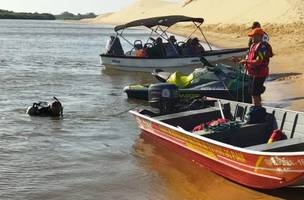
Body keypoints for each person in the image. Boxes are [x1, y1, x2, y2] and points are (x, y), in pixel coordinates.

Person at [240, 28, 273, 107]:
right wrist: (244, 62)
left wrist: (246, 62)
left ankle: (256, 109)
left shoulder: (263, 47)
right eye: (251, 36)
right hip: (252, 73)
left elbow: (259, 61)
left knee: (255, 93)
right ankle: (256, 107)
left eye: (253, 36)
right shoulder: (253, 45)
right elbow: (250, 58)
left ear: (259, 36)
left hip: (260, 74)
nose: (252, 38)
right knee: (253, 93)